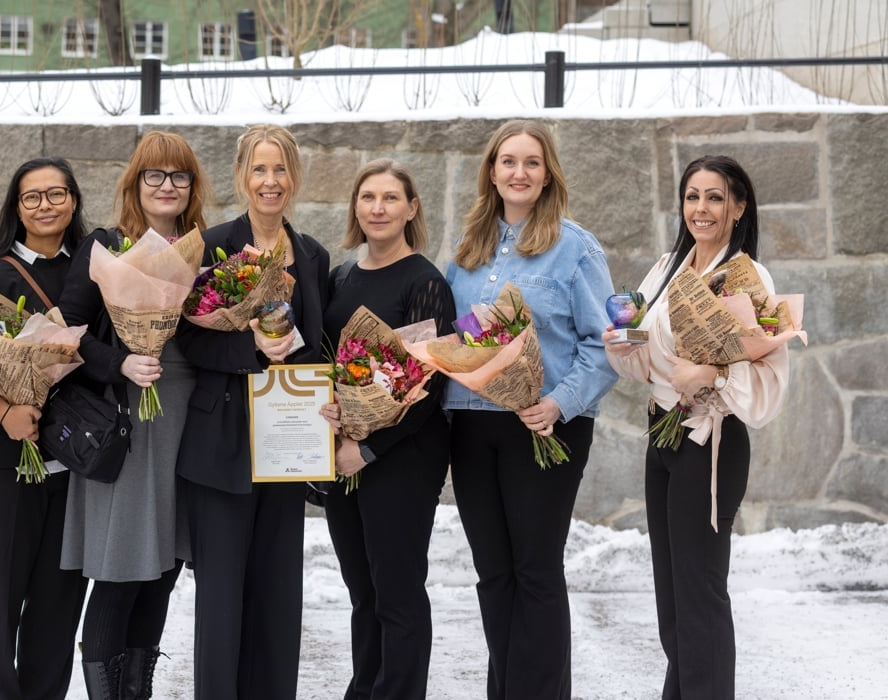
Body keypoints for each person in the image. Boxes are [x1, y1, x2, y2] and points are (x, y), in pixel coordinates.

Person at [444, 119, 617, 699]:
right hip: (471, 426)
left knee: (536, 573)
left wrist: (558, 404)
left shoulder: (576, 247)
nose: (519, 172)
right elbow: (460, 338)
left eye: (532, 163)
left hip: (545, 427)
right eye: (508, 161)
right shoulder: (468, 250)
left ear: (547, 176)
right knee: (493, 575)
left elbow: (604, 345)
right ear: (491, 172)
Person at [604, 156, 788, 699]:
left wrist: (712, 372)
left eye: (714, 197)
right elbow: (643, 357)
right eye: (692, 196)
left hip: (712, 441)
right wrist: (622, 341)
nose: (701, 209)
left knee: (700, 595)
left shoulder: (746, 279)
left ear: (738, 207)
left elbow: (769, 380)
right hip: (662, 434)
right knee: (672, 599)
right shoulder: (666, 268)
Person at [58, 131, 214, 699]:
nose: (167, 186)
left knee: (163, 573)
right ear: (135, 183)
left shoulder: (205, 249)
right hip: (125, 428)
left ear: (192, 187)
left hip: (187, 425)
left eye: (179, 176)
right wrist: (120, 363)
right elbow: (66, 333)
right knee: (121, 573)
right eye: (155, 175)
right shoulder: (105, 245)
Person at [176, 124, 329, 700]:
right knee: (221, 600)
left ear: (294, 178)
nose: (271, 182)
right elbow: (188, 340)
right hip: (221, 444)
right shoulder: (211, 244)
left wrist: (299, 356)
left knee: (277, 595)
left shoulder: (311, 253)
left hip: (288, 442)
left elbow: (319, 343)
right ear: (241, 176)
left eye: (281, 169)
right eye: (259, 170)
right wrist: (250, 350)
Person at [319, 159, 455, 699]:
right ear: (356, 206)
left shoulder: (426, 282)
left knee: (396, 592)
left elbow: (429, 387)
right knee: (362, 592)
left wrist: (369, 449)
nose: (378, 207)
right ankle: (366, 688)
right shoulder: (341, 278)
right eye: (368, 196)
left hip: (402, 458)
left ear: (411, 209)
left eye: (391, 198)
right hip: (342, 452)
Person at [0, 157, 90, 700]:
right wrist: (2, 408)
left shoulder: (94, 272)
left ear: (73, 201)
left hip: (73, 469)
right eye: (31, 197)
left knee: (58, 611)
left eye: (56, 194)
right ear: (16, 208)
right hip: (1, 471)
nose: (45, 205)